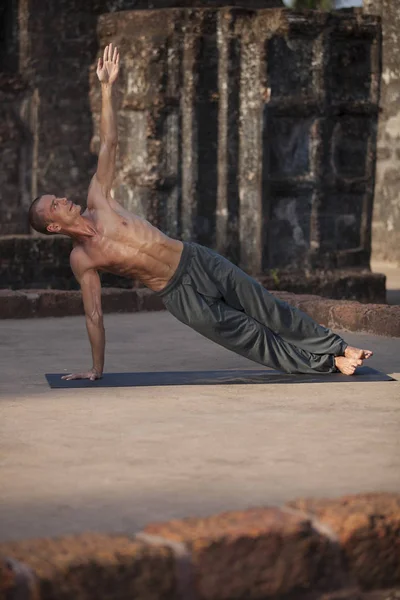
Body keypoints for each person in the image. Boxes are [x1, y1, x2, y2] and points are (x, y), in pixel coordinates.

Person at [28, 44, 373, 381]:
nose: (62, 199)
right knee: (247, 336)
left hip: (196, 259)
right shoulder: (82, 260)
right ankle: (327, 364)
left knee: (267, 308)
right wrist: (96, 368)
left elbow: (109, 143)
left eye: (57, 196)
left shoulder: (97, 199)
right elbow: (94, 314)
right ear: (54, 225)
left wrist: (106, 89)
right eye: (54, 205)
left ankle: (338, 347)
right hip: (178, 294)